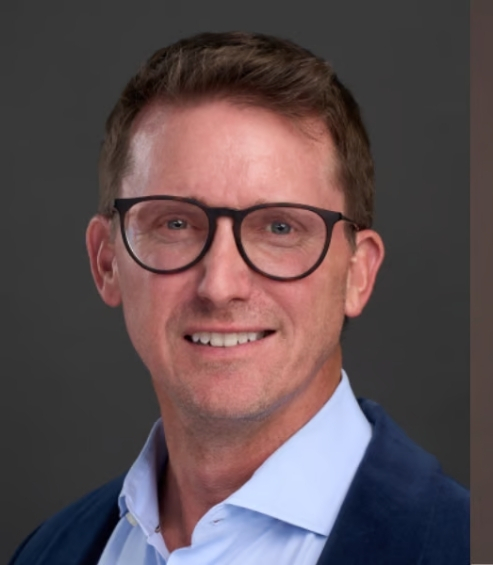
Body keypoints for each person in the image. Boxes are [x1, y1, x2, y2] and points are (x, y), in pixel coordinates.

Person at [9, 31, 467, 565]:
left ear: (356, 274)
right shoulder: (46, 552)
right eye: (175, 223)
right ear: (107, 261)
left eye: (278, 228)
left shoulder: (455, 545)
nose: (221, 286)